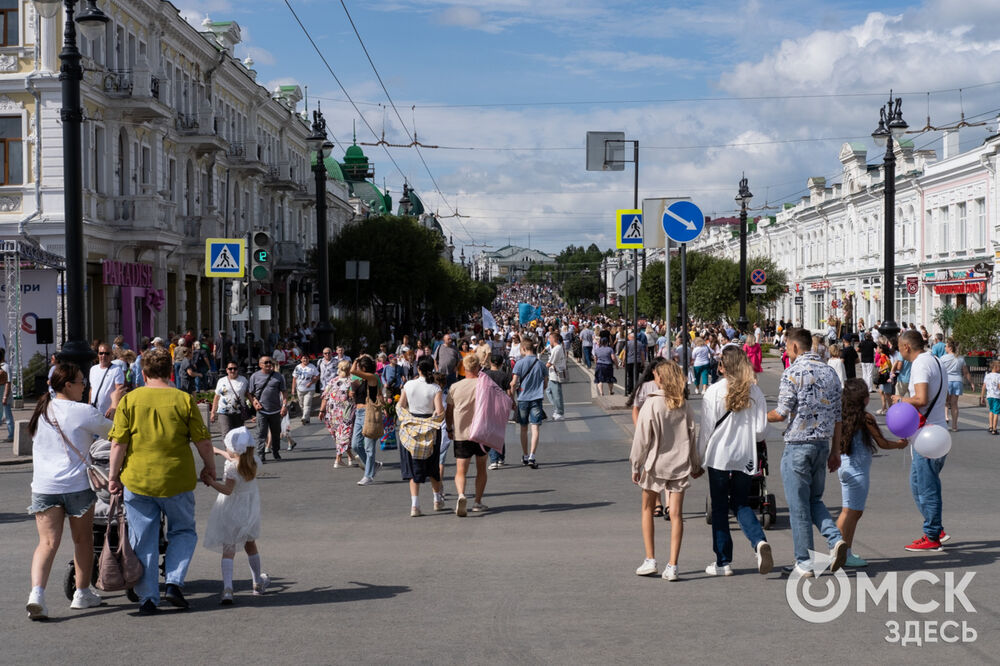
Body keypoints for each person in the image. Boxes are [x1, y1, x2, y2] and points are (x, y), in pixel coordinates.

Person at [107, 348, 215, 614]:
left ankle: (147, 598)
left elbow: (118, 443)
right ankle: (175, 582)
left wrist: (113, 477)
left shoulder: (130, 400)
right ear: (171, 372)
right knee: (183, 531)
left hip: (138, 479)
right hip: (176, 478)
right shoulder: (184, 400)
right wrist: (209, 469)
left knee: (143, 537)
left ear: (143, 374)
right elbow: (202, 441)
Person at [25, 363, 114, 619]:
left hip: (44, 486)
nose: (84, 385)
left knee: (47, 543)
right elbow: (114, 431)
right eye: (80, 381)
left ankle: (37, 594)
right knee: (83, 540)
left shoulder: (41, 411)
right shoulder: (83, 411)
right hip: (76, 485)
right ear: (68, 385)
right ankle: (82, 592)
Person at [766, 327, 848, 576]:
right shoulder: (830, 372)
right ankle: (835, 540)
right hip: (823, 444)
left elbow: (781, 413)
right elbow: (837, 416)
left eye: (786, 348)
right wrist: (836, 450)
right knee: (814, 500)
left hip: (798, 444)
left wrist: (756, 415)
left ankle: (804, 561)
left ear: (793, 347)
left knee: (798, 506)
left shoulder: (792, 373)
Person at [698, 347, 772, 576]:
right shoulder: (755, 391)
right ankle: (759, 542)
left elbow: (707, 430)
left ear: (722, 366)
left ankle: (723, 561)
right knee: (741, 503)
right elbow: (760, 431)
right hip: (745, 455)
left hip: (719, 456)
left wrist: (699, 459)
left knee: (720, 507)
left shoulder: (713, 391)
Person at [630, 361, 701, 581]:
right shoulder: (683, 404)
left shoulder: (652, 404)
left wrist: (635, 464)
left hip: (655, 463)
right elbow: (693, 436)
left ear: (660, 378)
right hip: (679, 464)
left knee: (646, 509)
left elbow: (642, 439)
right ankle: (673, 565)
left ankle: (650, 559)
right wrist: (696, 465)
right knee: (676, 515)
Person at [836, 379, 908, 567]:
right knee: (852, 514)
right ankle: (838, 550)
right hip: (858, 471)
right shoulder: (866, 418)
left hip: (844, 467)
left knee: (849, 512)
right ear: (864, 399)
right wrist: (899, 445)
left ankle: (844, 551)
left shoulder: (842, 415)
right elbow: (882, 442)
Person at [202, 427, 270, 605]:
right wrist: (219, 451)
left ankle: (227, 589)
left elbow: (228, 490)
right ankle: (257, 582)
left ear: (235, 449)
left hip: (232, 509)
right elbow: (235, 457)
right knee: (250, 544)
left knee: (228, 549)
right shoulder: (253, 461)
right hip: (249, 510)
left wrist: (211, 482)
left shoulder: (231, 468)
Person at [896, 330, 950, 551]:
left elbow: (921, 399)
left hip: (927, 437)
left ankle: (932, 536)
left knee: (927, 488)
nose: (898, 352)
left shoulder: (919, 364)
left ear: (907, 347)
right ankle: (935, 527)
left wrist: (900, 399)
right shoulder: (936, 361)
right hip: (936, 433)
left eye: (899, 347)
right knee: (919, 484)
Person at [398, 358, 446, 516]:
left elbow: (401, 405)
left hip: (412, 426)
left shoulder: (409, 385)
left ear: (418, 368)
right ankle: (437, 499)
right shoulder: (435, 388)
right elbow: (439, 412)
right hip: (430, 427)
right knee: (432, 465)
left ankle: (415, 505)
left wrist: (407, 419)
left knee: (413, 467)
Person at [446, 355, 492, 515]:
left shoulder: (455, 387)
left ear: (463, 368)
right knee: (481, 469)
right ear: (478, 367)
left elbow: (449, 411)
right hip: (481, 433)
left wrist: (449, 428)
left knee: (460, 470)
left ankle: (461, 494)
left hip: (461, 433)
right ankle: (477, 502)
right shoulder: (485, 386)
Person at [511, 339, 547, 469]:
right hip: (537, 398)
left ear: (524, 349)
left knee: (523, 428)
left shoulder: (519, 363)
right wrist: (538, 390)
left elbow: (514, 383)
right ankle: (532, 455)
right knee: (535, 428)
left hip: (523, 399)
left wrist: (512, 396)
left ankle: (525, 455)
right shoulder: (541, 364)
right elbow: (545, 383)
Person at [350, 356, 384, 485]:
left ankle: (368, 475)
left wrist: (356, 359)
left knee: (369, 448)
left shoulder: (372, 377)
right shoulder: (362, 381)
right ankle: (373, 465)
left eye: (360, 367)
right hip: (359, 413)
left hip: (368, 414)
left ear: (364, 368)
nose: (358, 369)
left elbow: (352, 371)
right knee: (355, 445)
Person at [248, 356, 288, 463]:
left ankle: (276, 452)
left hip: (275, 410)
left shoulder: (278, 376)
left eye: (270, 362)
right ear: (260, 364)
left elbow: (284, 392)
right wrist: (254, 403)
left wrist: (284, 406)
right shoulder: (254, 376)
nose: (268, 364)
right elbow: (250, 393)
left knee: (276, 433)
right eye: (266, 362)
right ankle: (261, 455)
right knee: (261, 433)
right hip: (262, 411)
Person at [319, 360, 359, 468]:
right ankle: (342, 458)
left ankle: (345, 458)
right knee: (344, 435)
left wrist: (321, 411)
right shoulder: (352, 381)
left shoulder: (333, 381)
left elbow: (325, 397)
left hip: (333, 412)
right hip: (346, 412)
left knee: (341, 436)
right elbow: (354, 397)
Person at [483, 354, 512, 470]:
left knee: (490, 432)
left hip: (488, 404)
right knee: (500, 431)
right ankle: (501, 457)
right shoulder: (504, 375)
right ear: (501, 364)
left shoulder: (485, 375)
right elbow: (509, 391)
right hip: (501, 405)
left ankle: (494, 459)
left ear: (490, 363)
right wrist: (512, 402)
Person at [940, 339, 975, 433]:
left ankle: (945, 418)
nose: (945, 348)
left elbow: (939, 371)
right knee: (954, 404)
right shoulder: (960, 358)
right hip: (957, 381)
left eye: (946, 346)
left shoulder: (943, 358)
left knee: (945, 402)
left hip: (946, 381)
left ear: (950, 348)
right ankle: (954, 425)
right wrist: (971, 383)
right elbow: (966, 372)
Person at [210, 362, 248, 437]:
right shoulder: (221, 381)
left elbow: (248, 394)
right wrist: (213, 412)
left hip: (238, 413)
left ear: (238, 370)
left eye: (235, 368)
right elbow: (216, 397)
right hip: (223, 412)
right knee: (226, 434)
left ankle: (235, 449)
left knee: (238, 435)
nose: (233, 371)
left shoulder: (243, 380)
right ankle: (228, 449)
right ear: (227, 370)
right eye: (230, 369)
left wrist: (254, 405)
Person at [88, 343, 125, 418]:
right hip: (94, 411)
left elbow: (119, 390)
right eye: (101, 353)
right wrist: (89, 404)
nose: (103, 356)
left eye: (107, 353)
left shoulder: (116, 370)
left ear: (111, 355)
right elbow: (92, 389)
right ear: (98, 354)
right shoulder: (93, 369)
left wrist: (112, 407)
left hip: (108, 413)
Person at [291, 355, 319, 426]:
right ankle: (307, 418)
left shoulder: (312, 367)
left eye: (306, 358)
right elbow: (294, 378)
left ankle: (304, 417)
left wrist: (311, 382)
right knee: (301, 404)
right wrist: (293, 390)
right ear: (301, 360)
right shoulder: (298, 367)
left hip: (310, 389)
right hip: (299, 389)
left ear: (309, 359)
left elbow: (317, 376)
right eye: (304, 358)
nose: (305, 360)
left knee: (307, 404)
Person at [544, 331, 566, 420]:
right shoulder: (555, 348)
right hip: (552, 373)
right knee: (548, 391)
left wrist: (540, 369)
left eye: (550, 338)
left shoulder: (557, 348)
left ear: (555, 339)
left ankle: (560, 412)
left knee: (557, 394)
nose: (549, 340)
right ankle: (557, 408)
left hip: (556, 374)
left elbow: (550, 362)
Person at [980, 360, 1000, 435]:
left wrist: (982, 397)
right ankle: (994, 429)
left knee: (991, 410)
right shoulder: (998, 376)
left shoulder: (987, 375)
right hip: (997, 396)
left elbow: (984, 386)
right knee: (996, 412)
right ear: (996, 367)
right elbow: (999, 387)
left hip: (989, 396)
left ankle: (990, 426)